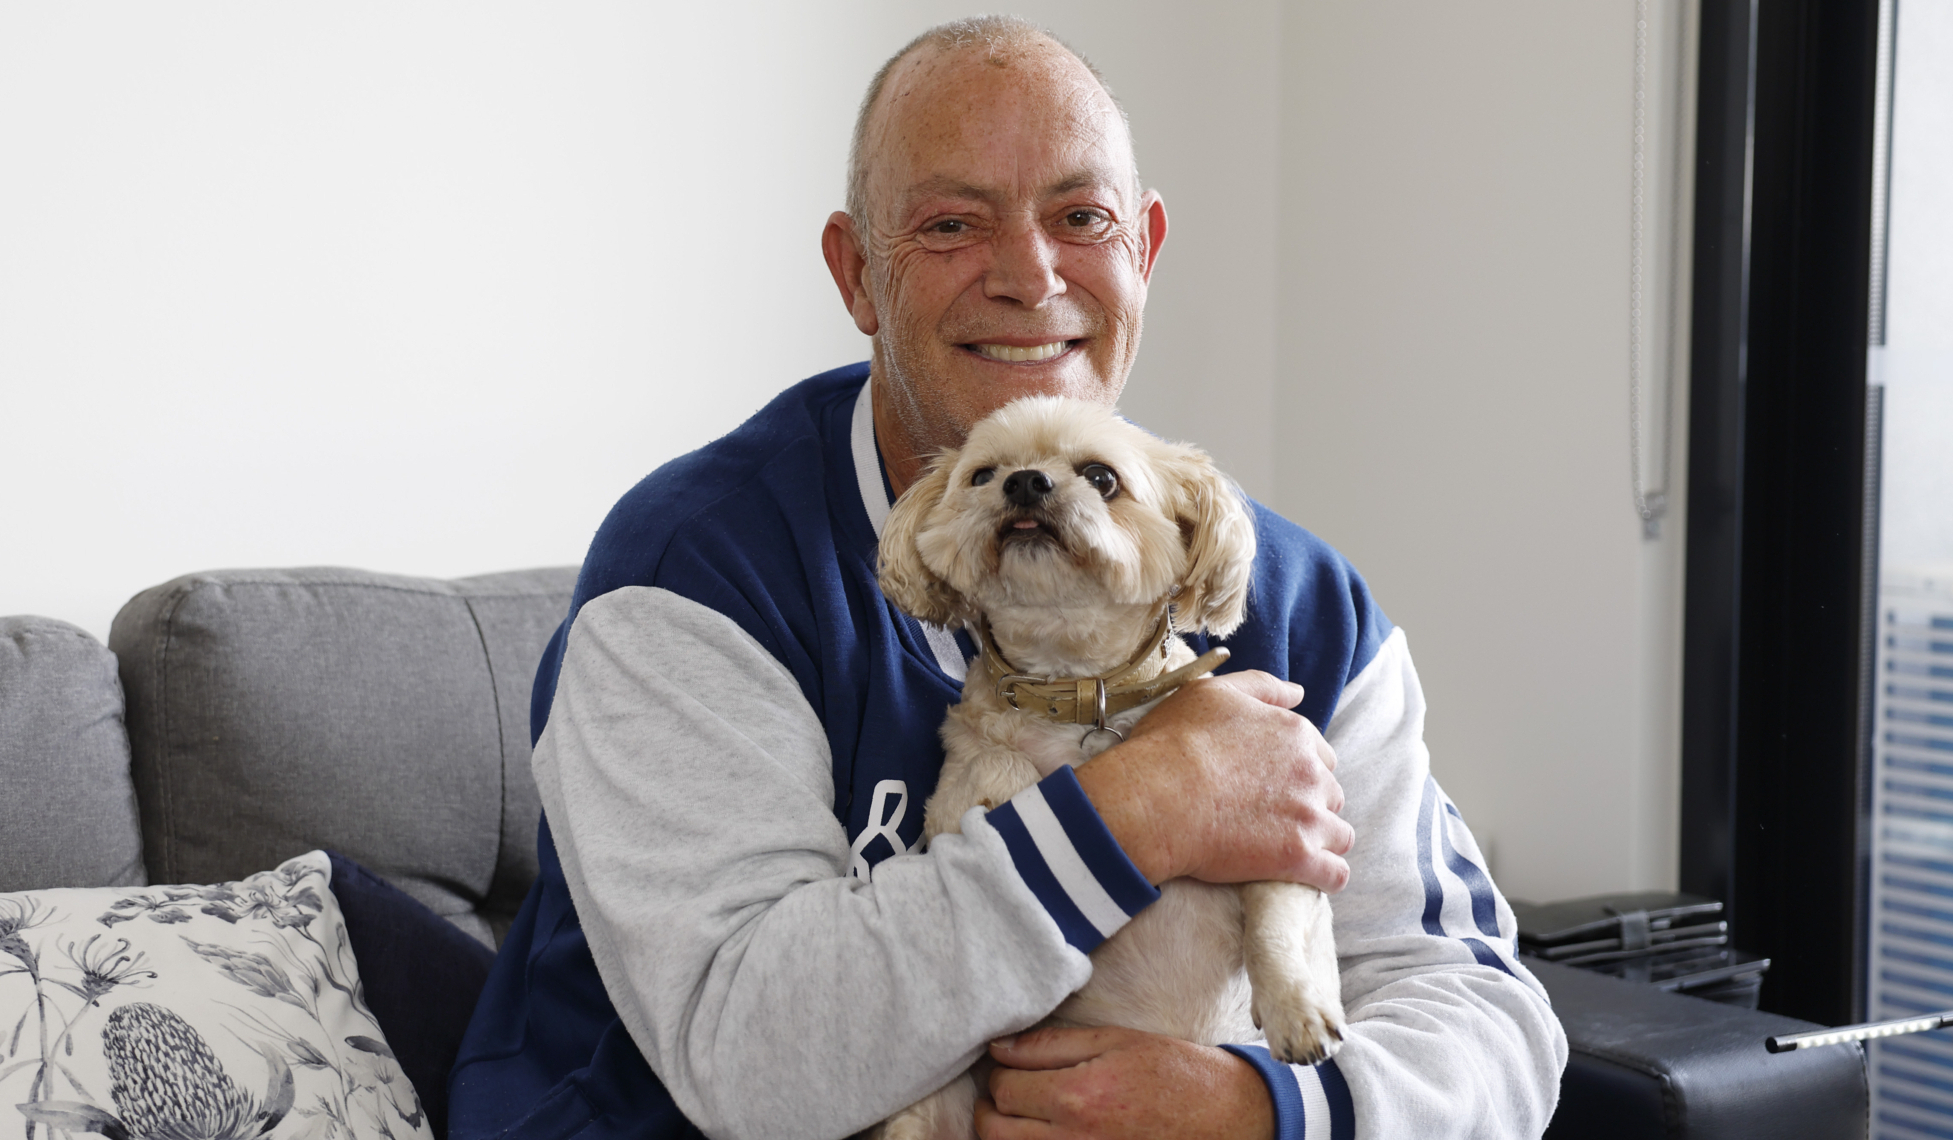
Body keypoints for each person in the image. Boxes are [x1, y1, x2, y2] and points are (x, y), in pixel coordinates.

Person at [447, 16, 1566, 1140]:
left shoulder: (1305, 609)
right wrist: (1142, 809)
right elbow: (751, 1062)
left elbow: (1488, 1025)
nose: (1030, 277)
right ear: (857, 276)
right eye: (950, 223)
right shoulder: (695, 576)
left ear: (1145, 251)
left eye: (1082, 219)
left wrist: (1254, 1110)